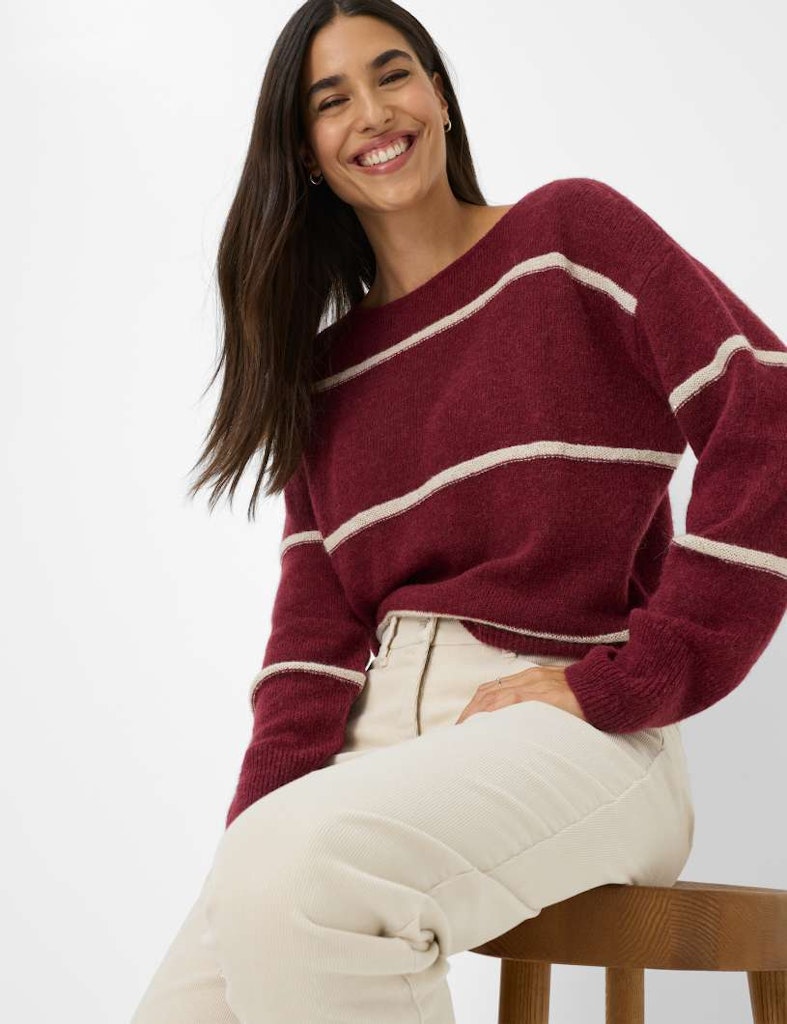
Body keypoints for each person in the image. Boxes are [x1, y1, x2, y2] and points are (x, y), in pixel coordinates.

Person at [129, 1, 787, 1021]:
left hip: (574, 728)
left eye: (393, 74)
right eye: (330, 100)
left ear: (438, 94)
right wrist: (252, 840)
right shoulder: (326, 375)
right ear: (304, 152)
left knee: (302, 877)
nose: (372, 112)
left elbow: (766, 410)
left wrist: (638, 675)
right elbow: (311, 644)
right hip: (373, 745)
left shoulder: (567, 239)